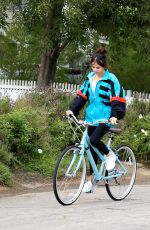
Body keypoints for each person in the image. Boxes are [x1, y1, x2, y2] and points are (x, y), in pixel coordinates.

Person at [66, 48, 126, 193]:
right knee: (90, 148)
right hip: (91, 117)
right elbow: (81, 96)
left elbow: (117, 98)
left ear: (104, 66)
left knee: (94, 140)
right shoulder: (90, 78)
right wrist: (72, 109)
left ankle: (109, 154)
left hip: (106, 117)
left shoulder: (111, 80)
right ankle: (92, 179)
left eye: (98, 67)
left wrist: (115, 115)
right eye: (93, 67)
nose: (95, 70)